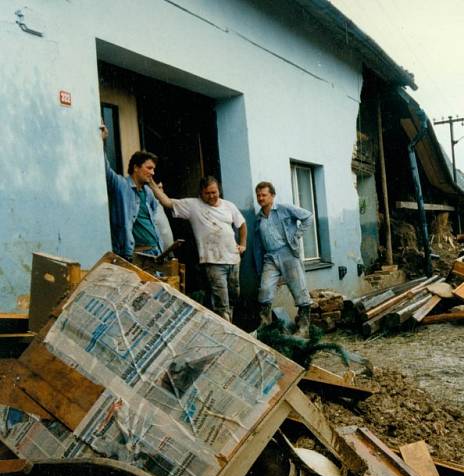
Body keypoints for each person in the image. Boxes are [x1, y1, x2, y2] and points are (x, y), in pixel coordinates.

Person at [151, 176, 247, 322]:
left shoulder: (229, 205)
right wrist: (151, 184)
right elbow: (167, 202)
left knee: (233, 296)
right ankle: (225, 331)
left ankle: (227, 325)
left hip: (233, 259)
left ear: (219, 190)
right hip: (213, 262)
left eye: (214, 192)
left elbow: (242, 224)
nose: (212, 196)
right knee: (221, 301)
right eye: (207, 193)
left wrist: (243, 244)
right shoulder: (193, 205)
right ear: (201, 193)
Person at [252, 181, 313, 336]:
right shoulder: (259, 218)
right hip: (270, 257)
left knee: (299, 290)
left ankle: (303, 328)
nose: (260, 198)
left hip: (287, 253)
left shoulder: (284, 209)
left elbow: (308, 217)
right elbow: (258, 246)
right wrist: (260, 269)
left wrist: (296, 236)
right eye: (258, 195)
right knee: (264, 289)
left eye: (264, 195)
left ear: (272, 196)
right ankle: (265, 326)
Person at [101, 123, 167, 260]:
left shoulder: (148, 192)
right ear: (136, 167)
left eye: (153, 169)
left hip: (156, 252)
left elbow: (153, 220)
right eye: (149, 168)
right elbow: (105, 169)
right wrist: (102, 142)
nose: (152, 172)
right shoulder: (121, 185)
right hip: (135, 255)